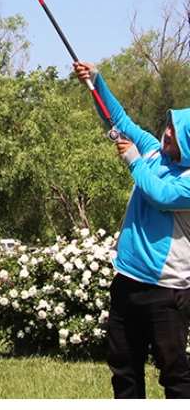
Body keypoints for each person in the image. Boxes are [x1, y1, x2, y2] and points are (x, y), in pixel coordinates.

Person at [74, 61, 190, 399]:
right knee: (123, 366)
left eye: (174, 130)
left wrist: (134, 161)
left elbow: (160, 196)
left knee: (175, 374)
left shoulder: (185, 181)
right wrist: (96, 81)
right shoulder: (154, 150)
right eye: (168, 126)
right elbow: (119, 121)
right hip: (127, 280)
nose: (167, 132)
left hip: (166, 291)